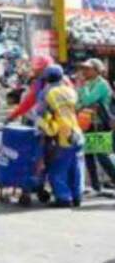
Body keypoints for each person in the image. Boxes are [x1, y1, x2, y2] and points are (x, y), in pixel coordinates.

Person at [38, 65, 84, 207]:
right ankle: (76, 196)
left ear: (47, 77)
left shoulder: (46, 93)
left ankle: (64, 198)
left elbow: (42, 114)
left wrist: (42, 129)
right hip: (76, 132)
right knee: (74, 167)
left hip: (59, 134)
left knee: (57, 169)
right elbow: (78, 108)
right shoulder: (70, 90)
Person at [76, 58, 115, 193]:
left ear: (97, 70)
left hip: (100, 124)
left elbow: (86, 100)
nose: (84, 71)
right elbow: (78, 104)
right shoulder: (88, 84)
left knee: (101, 155)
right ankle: (95, 186)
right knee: (88, 155)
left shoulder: (101, 84)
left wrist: (84, 90)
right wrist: (84, 101)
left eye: (88, 69)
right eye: (83, 68)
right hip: (87, 123)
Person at [8, 55, 57, 123]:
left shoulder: (41, 84)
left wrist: (12, 116)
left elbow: (28, 102)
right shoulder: (40, 83)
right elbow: (28, 102)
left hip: (54, 121)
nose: (36, 73)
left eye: (39, 70)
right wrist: (13, 115)